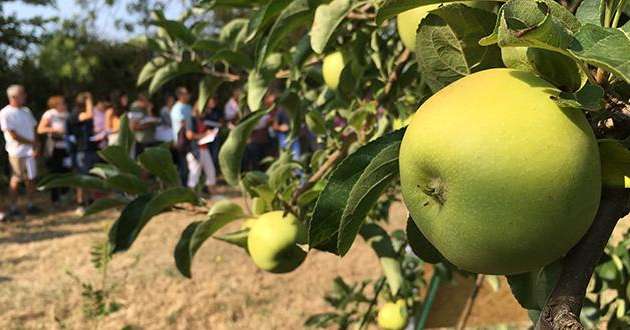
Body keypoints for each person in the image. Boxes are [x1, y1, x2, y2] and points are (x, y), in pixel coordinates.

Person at [0, 85, 39, 219]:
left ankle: (30, 205)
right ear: (14, 97)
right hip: (16, 152)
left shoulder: (26, 111)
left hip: (30, 151)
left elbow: (33, 129)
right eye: (23, 94)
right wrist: (31, 143)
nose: (25, 96)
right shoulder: (5, 113)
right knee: (16, 179)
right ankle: (13, 207)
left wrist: (35, 145)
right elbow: (13, 134)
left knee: (31, 179)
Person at [67, 92, 99, 215]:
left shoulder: (82, 114)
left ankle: (90, 201)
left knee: (90, 176)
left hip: (90, 148)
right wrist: (89, 99)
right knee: (81, 177)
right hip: (81, 150)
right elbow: (90, 115)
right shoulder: (75, 114)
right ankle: (80, 203)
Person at [38, 95, 71, 205]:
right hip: (54, 148)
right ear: (56, 104)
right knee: (54, 173)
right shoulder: (50, 114)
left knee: (66, 172)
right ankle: (55, 199)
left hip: (66, 147)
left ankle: (65, 196)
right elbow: (40, 129)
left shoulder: (67, 114)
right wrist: (54, 130)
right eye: (62, 103)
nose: (64, 105)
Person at [185, 103, 218, 193]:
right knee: (194, 173)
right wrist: (205, 135)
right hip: (195, 150)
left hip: (204, 148)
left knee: (211, 171)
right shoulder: (191, 119)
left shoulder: (202, 119)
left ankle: (211, 192)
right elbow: (189, 135)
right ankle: (190, 196)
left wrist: (209, 133)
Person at [170, 87, 193, 184]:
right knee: (183, 165)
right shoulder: (177, 109)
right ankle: (183, 187)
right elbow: (183, 123)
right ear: (180, 96)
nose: (188, 95)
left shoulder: (188, 107)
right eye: (186, 93)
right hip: (182, 141)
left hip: (190, 139)